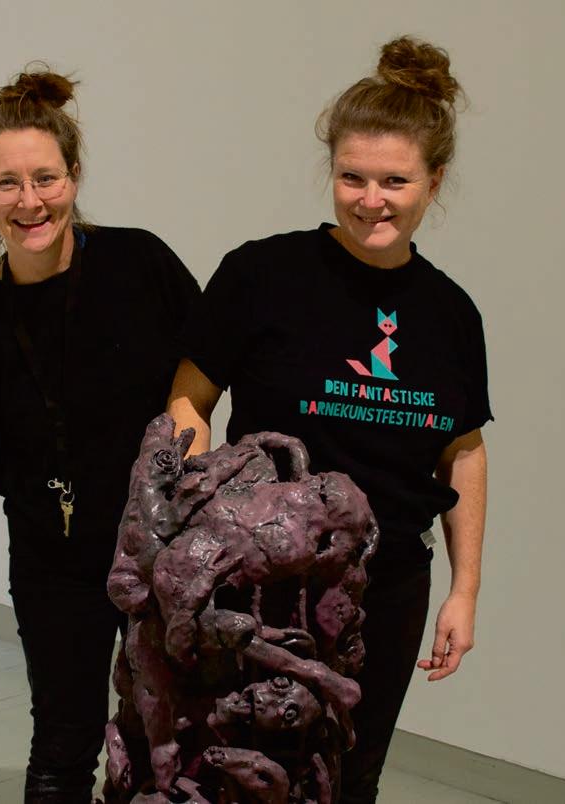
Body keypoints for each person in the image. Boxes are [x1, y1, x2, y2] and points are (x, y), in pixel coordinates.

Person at [167, 36, 492, 803]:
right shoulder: (261, 274)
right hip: (262, 581)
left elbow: (463, 452)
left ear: (433, 181)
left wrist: (464, 590)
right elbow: (189, 398)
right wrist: (193, 527)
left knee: (350, 777)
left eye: (394, 180)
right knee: (240, 771)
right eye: (352, 177)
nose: (370, 199)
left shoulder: (449, 314)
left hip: (388, 585)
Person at [0, 67, 200, 803]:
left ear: (74, 177)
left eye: (45, 178)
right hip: (55, 564)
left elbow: (203, 366)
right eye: (7, 184)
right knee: (63, 742)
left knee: (178, 735)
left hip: (170, 549)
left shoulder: (140, 262)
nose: (29, 202)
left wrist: (181, 448)